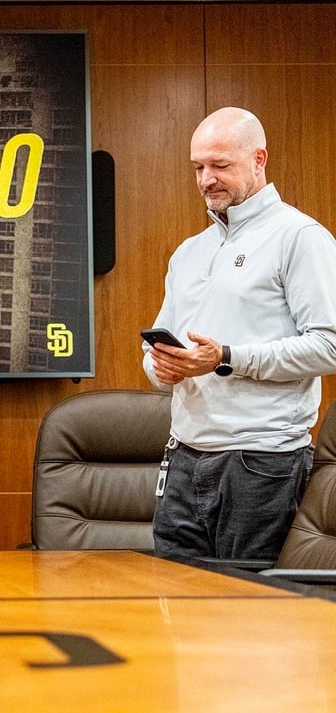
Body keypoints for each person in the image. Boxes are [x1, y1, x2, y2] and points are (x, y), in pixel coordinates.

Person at [143, 106, 336, 560]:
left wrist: (227, 356)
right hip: (184, 459)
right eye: (198, 167)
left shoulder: (300, 237)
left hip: (263, 463)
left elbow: (330, 345)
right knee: (175, 610)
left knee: (250, 616)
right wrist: (161, 366)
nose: (206, 179)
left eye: (220, 165)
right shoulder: (190, 251)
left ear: (258, 159)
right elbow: (156, 349)